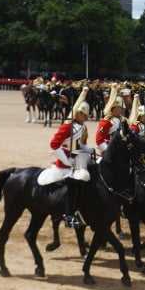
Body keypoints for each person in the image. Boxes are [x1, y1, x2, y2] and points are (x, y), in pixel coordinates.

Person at [49, 86, 92, 228]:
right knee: (72, 184)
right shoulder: (67, 126)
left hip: (77, 160)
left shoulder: (83, 128)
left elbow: (81, 145)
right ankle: (68, 216)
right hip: (65, 163)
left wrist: (91, 150)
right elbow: (54, 144)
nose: (85, 118)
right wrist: (66, 161)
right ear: (77, 113)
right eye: (83, 115)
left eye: (86, 116)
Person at [95, 83, 125, 155]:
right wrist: (108, 151)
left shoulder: (124, 119)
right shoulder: (107, 121)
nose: (123, 110)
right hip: (109, 150)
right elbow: (99, 139)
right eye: (120, 108)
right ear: (114, 109)